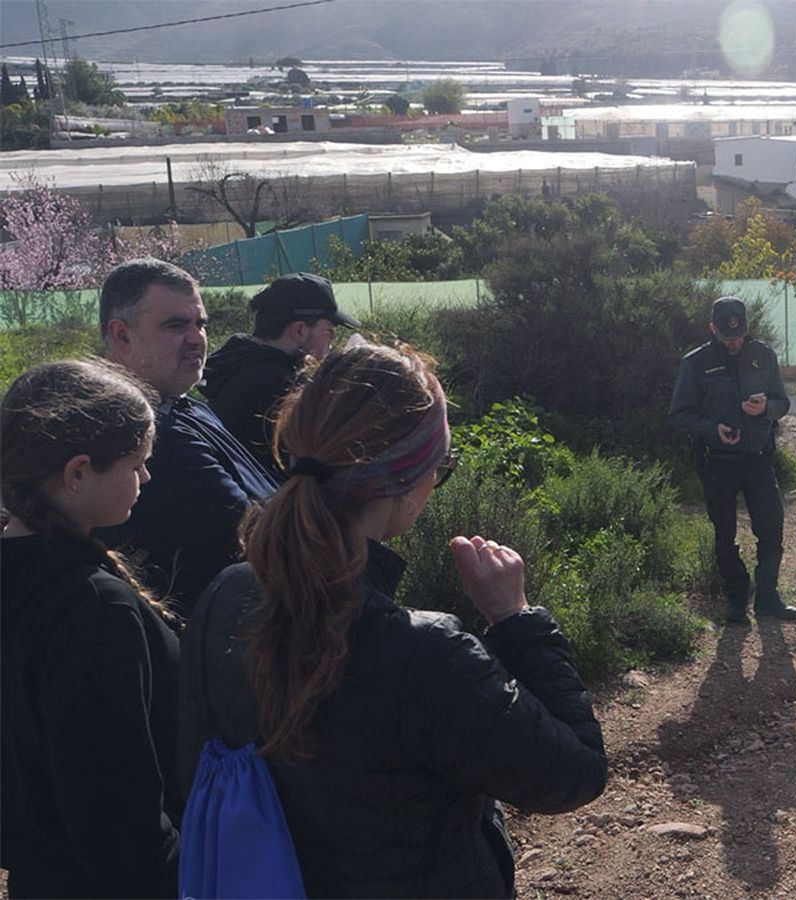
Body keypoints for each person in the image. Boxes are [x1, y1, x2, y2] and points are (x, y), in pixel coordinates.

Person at [179, 343, 607, 897]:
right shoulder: (425, 653)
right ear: (405, 480)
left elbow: (191, 765)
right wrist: (515, 617)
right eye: (440, 467)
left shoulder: (223, 597)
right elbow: (574, 773)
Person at [0, 360, 183, 898]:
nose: (147, 477)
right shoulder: (92, 611)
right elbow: (118, 823)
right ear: (77, 472)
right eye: (136, 462)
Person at [95, 258, 279, 618]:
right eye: (176, 325)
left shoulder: (183, 406)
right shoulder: (140, 436)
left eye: (200, 324)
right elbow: (266, 537)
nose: (197, 339)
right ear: (122, 335)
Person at [668, 295, 796, 625]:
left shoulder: (763, 356)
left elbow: (782, 402)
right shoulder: (695, 363)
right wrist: (714, 430)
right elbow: (679, 415)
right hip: (717, 463)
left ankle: (768, 598)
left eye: (739, 335)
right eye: (727, 337)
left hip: (758, 460)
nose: (735, 342)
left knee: (771, 530)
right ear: (712, 329)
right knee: (724, 536)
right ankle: (737, 599)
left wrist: (766, 408)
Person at [201, 272, 359, 474]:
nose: (333, 339)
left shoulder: (237, 364)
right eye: (329, 330)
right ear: (300, 330)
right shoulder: (280, 385)